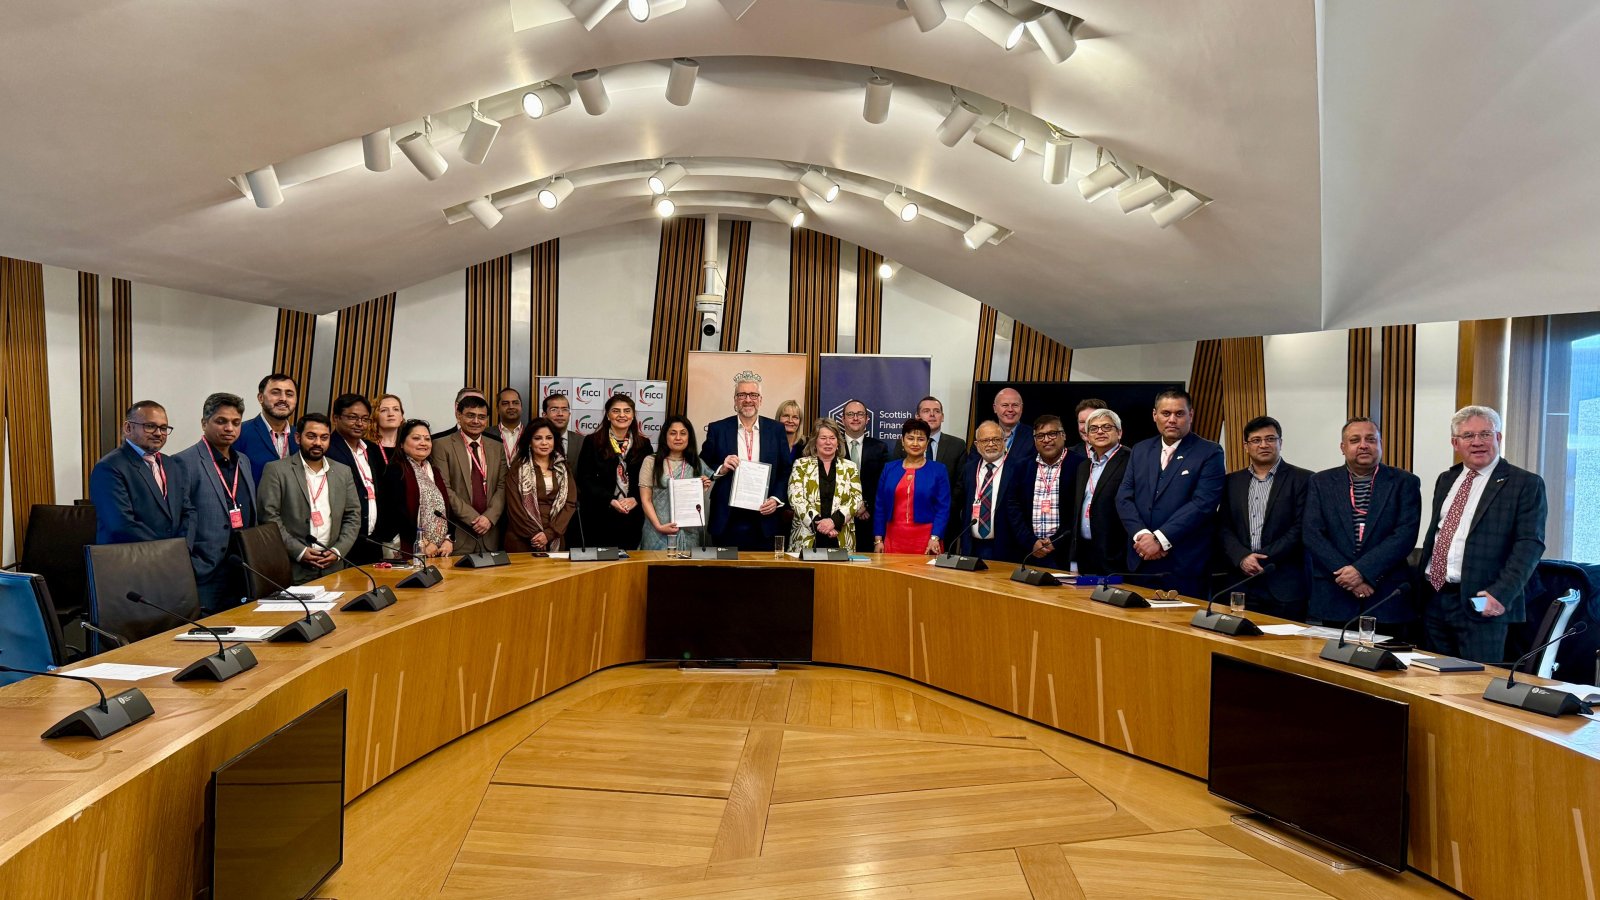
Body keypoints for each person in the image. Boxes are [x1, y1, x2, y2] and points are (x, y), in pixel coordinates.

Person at [1417, 406, 1547, 663]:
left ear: (1498, 438)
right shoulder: (1446, 479)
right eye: (1468, 436)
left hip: (1483, 602)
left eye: (1485, 434)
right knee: (1430, 683)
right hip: (1435, 598)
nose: (1477, 442)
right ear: (1456, 443)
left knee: (1476, 689)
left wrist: (1501, 593)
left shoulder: (1525, 483)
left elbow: (1529, 544)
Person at [1303, 417, 1422, 632]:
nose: (1363, 445)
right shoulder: (1320, 482)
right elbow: (1312, 534)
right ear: (1343, 447)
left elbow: (1404, 535)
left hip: (1385, 596)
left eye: (1370, 439)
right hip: (1335, 594)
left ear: (1380, 443)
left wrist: (1362, 571)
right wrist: (1349, 576)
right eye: (1355, 440)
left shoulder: (1405, 482)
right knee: (1334, 661)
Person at [1114, 389, 1225, 598]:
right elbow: (1124, 497)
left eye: (1179, 414)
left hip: (1183, 565)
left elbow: (1203, 504)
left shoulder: (1210, 452)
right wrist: (1142, 536)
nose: (1172, 419)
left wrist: (1159, 539)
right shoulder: (1140, 449)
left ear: (1191, 415)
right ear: (1154, 415)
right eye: (1166, 413)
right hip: (1140, 560)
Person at [1215, 416, 1312, 621]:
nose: (1264, 445)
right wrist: (1242, 557)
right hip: (1239, 584)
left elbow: (1300, 528)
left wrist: (1259, 557)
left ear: (1280, 443)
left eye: (1270, 439)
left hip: (1284, 584)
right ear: (1246, 446)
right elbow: (1223, 527)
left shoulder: (1304, 479)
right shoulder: (1231, 482)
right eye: (1256, 440)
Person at [171, 393, 257, 612]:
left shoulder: (243, 461)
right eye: (221, 421)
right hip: (206, 568)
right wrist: (189, 564)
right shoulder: (183, 462)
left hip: (242, 566)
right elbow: (178, 520)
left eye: (236, 423)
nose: (230, 428)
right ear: (204, 423)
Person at [256, 414, 362, 584]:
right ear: (298, 438)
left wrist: (338, 550)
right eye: (311, 436)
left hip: (332, 568)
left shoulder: (343, 472)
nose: (318, 443)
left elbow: (353, 515)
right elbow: (268, 517)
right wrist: (298, 551)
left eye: (324, 437)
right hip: (292, 567)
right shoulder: (276, 470)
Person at [702, 373, 791, 550]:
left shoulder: (776, 429)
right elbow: (702, 464)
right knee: (726, 573)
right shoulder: (718, 429)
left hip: (764, 515)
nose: (748, 400)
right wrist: (721, 468)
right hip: (727, 518)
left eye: (753, 395)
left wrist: (776, 499)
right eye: (742, 395)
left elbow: (785, 469)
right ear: (735, 400)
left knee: (762, 574)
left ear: (760, 400)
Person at [90, 401, 193, 544]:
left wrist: (182, 547)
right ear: (128, 427)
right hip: (130, 559)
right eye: (150, 426)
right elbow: (121, 524)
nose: (158, 433)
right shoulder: (109, 467)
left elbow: (188, 511)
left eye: (163, 428)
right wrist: (165, 549)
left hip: (173, 557)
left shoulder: (172, 464)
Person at [430, 394, 507, 553]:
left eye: (481, 417)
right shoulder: (441, 445)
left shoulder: (497, 446)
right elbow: (444, 489)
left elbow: (503, 486)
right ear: (458, 415)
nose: (476, 421)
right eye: (470, 415)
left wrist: (489, 518)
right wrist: (475, 519)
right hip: (459, 534)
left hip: (491, 534)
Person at [576, 393, 653, 549]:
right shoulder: (592, 441)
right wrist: (610, 500)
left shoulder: (644, 444)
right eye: (616, 411)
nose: (622, 415)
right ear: (608, 415)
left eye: (627, 411)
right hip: (600, 514)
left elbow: (650, 479)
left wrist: (636, 499)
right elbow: (585, 479)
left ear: (633, 416)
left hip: (632, 515)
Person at [373, 419, 455, 559]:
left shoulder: (434, 470)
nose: (423, 443)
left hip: (439, 549)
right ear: (401, 444)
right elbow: (396, 513)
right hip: (407, 545)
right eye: (416, 438)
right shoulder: (395, 471)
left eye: (427, 439)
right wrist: (423, 543)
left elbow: (446, 507)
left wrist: (449, 539)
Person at [1005, 415, 1078, 570]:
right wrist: (1030, 541)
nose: (1046, 439)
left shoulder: (1079, 465)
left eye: (1052, 434)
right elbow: (1013, 506)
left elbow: (1077, 511)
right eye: (1040, 436)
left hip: (1064, 554)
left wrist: (1056, 540)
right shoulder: (1022, 466)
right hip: (1028, 551)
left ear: (1063, 435)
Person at [893, 395, 968, 544]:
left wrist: (943, 510)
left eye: (937, 411)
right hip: (912, 522)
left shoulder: (957, 445)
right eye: (926, 411)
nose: (932, 414)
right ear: (917, 416)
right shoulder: (903, 445)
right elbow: (896, 481)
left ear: (943, 416)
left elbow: (961, 483)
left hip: (947, 521)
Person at [325, 393, 388, 565]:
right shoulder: (328, 449)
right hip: (341, 541)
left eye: (365, 419)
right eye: (353, 418)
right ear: (336, 418)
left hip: (372, 540)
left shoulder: (373, 450)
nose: (360, 424)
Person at [874, 418, 951, 556]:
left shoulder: (939, 470)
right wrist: (878, 539)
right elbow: (880, 506)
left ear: (927, 443)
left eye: (921, 439)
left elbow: (943, 508)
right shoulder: (889, 468)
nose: (915, 443)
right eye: (910, 438)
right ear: (902, 441)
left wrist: (935, 537)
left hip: (927, 541)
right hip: (894, 539)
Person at [639, 415, 715, 552]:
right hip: (656, 533)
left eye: (683, 433)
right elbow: (646, 500)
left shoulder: (697, 463)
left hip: (689, 533)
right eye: (673, 433)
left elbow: (696, 499)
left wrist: (701, 489)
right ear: (665, 436)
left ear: (689, 437)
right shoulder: (651, 461)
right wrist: (659, 526)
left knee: (684, 572)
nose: (678, 438)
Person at [503, 417, 579, 552]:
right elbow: (514, 507)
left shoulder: (563, 468)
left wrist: (549, 534)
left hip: (555, 537)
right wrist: (536, 536)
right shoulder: (518, 468)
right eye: (538, 438)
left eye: (549, 438)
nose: (544, 443)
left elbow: (570, 503)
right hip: (522, 539)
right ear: (530, 442)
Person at [788, 418, 864, 552]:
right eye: (823, 438)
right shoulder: (801, 465)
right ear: (815, 441)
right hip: (807, 536)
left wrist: (834, 522)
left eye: (832, 438)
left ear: (838, 442)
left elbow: (856, 499)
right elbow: (795, 498)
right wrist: (821, 525)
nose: (828, 442)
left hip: (840, 536)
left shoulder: (850, 467)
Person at [1070, 408, 1130, 575]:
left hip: (1115, 555)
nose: (1100, 432)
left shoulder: (1131, 461)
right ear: (1087, 436)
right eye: (1094, 429)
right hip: (1085, 553)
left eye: (1106, 427)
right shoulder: (1083, 466)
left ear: (1119, 433)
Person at [957, 421, 1017, 560]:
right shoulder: (969, 469)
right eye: (985, 440)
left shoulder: (1017, 468)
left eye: (996, 439)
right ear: (977, 445)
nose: (991, 444)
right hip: (972, 547)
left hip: (1006, 548)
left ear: (1004, 441)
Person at [234, 374, 298, 487]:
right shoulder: (240, 433)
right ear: (260, 398)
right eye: (275, 392)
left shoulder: (300, 437)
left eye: (289, 394)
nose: (283, 398)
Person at [840, 398, 891, 523]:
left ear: (867, 419)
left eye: (860, 414)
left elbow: (882, 483)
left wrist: (865, 505)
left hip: (868, 516)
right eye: (850, 414)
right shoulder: (833, 446)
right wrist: (850, 508)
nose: (855, 418)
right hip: (838, 516)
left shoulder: (879, 448)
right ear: (843, 419)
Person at [433, 387, 501, 443]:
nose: (475, 407)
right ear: (457, 407)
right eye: (468, 402)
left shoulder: (496, 442)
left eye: (480, 404)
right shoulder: (436, 441)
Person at [1067, 398, 1109, 468]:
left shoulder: (1127, 455)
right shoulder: (1067, 455)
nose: (1086, 427)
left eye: (1091, 421)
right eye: (1082, 422)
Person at [542, 392, 584, 463]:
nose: (560, 414)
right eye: (554, 409)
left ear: (569, 414)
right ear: (544, 415)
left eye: (564, 409)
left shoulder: (582, 442)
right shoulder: (536, 442)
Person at [991, 388, 1033, 454]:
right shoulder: (983, 435)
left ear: (1021, 408)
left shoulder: (1033, 436)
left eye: (1015, 405)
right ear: (995, 408)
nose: (1010, 409)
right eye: (1005, 405)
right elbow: (972, 463)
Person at [373, 393, 405, 458]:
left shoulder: (409, 446)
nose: (391, 414)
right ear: (375, 416)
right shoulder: (365, 446)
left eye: (396, 409)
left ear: (401, 416)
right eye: (384, 410)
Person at [495, 387, 524, 452]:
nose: (511, 407)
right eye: (505, 403)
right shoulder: (486, 434)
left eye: (515, 403)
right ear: (497, 409)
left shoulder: (531, 433)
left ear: (521, 407)